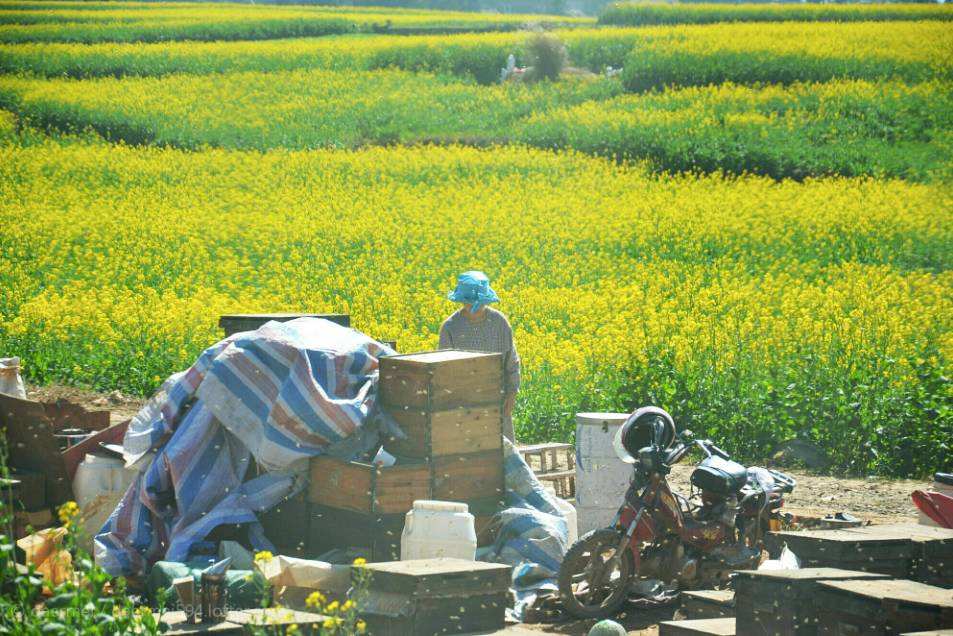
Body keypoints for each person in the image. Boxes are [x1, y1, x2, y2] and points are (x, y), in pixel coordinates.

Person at [439, 271, 520, 442]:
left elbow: (511, 362)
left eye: (476, 303)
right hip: (463, 401)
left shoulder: (500, 323)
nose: (472, 307)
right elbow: (443, 370)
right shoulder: (450, 327)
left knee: (501, 452)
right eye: (467, 303)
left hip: (497, 398)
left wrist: (512, 393)